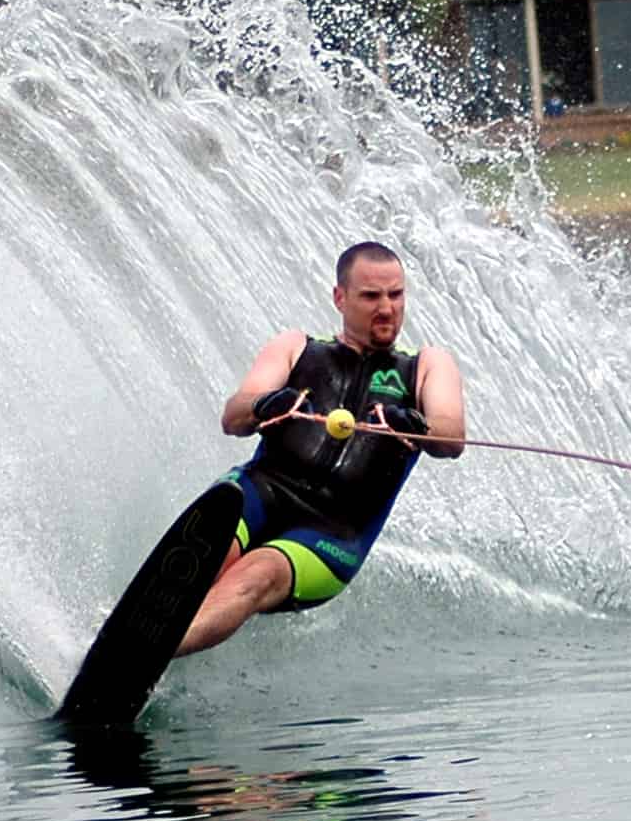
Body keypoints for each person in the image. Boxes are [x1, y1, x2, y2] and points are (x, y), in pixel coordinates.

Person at [173, 241, 466, 657]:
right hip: (260, 493)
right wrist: (263, 405)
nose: (387, 307)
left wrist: (415, 424)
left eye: (396, 294)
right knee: (210, 554)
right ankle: (124, 635)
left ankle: (142, 656)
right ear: (340, 298)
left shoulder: (426, 366)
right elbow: (233, 416)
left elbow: (451, 435)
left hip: (332, 534)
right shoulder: (296, 348)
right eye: (371, 296)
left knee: (256, 574)